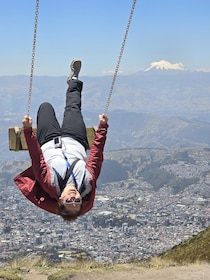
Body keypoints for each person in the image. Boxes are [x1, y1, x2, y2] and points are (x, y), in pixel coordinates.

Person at [14, 59, 109, 221]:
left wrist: (28, 130)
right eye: (77, 201)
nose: (73, 197)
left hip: (49, 141)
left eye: (69, 201)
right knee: (73, 107)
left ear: (60, 200)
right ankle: (74, 80)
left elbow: (37, 158)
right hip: (75, 139)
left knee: (45, 107)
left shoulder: (49, 183)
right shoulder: (87, 182)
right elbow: (96, 156)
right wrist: (102, 127)